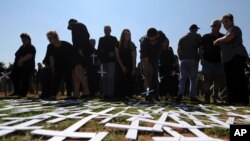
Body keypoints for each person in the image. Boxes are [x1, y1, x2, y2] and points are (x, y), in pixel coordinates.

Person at [214, 14, 249, 105]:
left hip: (236, 56)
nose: (224, 24)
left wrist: (218, 40)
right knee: (230, 80)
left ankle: (242, 100)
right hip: (228, 59)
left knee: (238, 78)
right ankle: (232, 100)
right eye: (223, 22)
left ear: (231, 21)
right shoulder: (227, 32)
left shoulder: (234, 28)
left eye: (226, 21)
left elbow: (229, 37)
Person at [200, 20, 225, 104]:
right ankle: (207, 98)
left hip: (219, 62)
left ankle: (215, 97)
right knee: (207, 80)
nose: (212, 27)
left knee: (217, 80)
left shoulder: (223, 37)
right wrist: (202, 59)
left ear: (219, 26)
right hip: (207, 61)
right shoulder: (205, 36)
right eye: (212, 26)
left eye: (214, 26)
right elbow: (200, 49)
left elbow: (226, 49)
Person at [177, 24, 202, 102]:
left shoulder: (182, 38)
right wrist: (199, 58)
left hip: (183, 60)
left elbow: (178, 50)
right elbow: (200, 48)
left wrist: (181, 58)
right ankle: (192, 96)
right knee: (193, 79)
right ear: (195, 29)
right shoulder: (198, 37)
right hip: (193, 60)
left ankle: (180, 94)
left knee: (182, 79)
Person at [46, 31, 74, 99]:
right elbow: (51, 57)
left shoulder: (66, 44)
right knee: (56, 79)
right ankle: (53, 95)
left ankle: (69, 95)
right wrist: (53, 68)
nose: (49, 40)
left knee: (68, 80)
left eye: (50, 38)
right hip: (58, 65)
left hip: (68, 64)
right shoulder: (50, 46)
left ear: (56, 37)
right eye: (48, 38)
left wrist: (73, 67)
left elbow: (73, 55)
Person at [68, 19, 90, 98]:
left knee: (78, 71)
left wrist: (81, 48)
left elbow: (86, 36)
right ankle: (76, 94)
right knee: (74, 73)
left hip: (79, 51)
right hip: (76, 51)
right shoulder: (75, 27)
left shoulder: (78, 25)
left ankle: (86, 92)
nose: (70, 27)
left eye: (70, 25)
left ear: (71, 23)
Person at [10, 33, 36, 97]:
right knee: (13, 76)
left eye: (24, 39)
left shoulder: (31, 47)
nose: (23, 40)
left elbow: (30, 55)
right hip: (18, 66)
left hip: (27, 67)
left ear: (29, 39)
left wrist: (21, 61)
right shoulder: (21, 47)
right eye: (22, 39)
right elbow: (17, 55)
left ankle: (23, 93)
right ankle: (16, 91)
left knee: (25, 79)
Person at [140, 28, 163, 101]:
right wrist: (146, 77)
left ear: (157, 36)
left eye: (153, 40)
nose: (152, 42)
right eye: (150, 40)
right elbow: (145, 62)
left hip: (156, 57)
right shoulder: (144, 42)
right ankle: (148, 95)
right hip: (148, 59)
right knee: (149, 75)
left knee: (155, 76)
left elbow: (166, 42)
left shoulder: (161, 35)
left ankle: (156, 95)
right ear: (147, 37)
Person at [97, 26, 118, 99]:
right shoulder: (101, 39)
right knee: (104, 78)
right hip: (103, 61)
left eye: (108, 30)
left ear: (110, 30)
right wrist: (99, 59)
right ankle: (105, 93)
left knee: (111, 77)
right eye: (105, 30)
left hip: (111, 61)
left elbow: (117, 49)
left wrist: (113, 53)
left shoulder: (114, 38)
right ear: (104, 31)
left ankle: (110, 94)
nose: (107, 31)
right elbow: (99, 49)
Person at [115, 29, 137, 99]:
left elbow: (134, 58)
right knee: (120, 80)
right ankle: (120, 95)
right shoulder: (117, 44)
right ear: (122, 35)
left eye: (129, 34)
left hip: (129, 65)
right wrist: (122, 66)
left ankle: (128, 95)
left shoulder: (132, 45)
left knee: (128, 80)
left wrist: (134, 69)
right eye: (126, 34)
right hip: (120, 65)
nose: (128, 35)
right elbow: (117, 56)